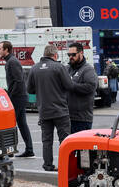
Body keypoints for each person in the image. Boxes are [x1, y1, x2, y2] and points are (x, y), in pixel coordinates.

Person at [28, 43, 88, 171]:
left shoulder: (34, 68)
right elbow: (70, 86)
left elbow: (30, 89)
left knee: (47, 141)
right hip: (60, 110)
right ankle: (66, 166)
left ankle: (48, 165)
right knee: (65, 140)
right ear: (55, 55)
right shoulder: (59, 67)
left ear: (44, 55)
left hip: (44, 111)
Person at [0, 40, 33, 157]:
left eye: (0, 49)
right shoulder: (10, 61)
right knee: (22, 124)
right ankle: (29, 149)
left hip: (17, 97)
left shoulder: (12, 62)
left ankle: (11, 150)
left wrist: (11, 96)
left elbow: (18, 80)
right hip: (18, 96)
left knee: (11, 124)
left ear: (6, 50)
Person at [65, 42, 97, 132]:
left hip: (81, 118)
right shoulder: (67, 69)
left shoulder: (88, 69)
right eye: (69, 54)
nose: (71, 57)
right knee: (67, 145)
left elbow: (90, 87)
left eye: (73, 54)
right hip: (66, 116)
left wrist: (71, 85)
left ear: (81, 53)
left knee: (80, 146)